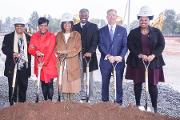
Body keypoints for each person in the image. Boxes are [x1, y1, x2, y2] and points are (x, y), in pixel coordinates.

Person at [125, 6, 165, 113]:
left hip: (153, 62)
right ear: (139, 20)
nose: (143, 21)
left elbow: (161, 45)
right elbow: (130, 44)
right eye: (141, 19)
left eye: (145, 19)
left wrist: (153, 55)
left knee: (153, 85)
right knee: (137, 84)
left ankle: (154, 107)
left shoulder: (156, 32)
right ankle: (138, 105)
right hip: (138, 62)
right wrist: (139, 54)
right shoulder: (133, 32)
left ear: (149, 20)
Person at [98, 9, 128, 105]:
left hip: (119, 62)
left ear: (116, 17)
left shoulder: (122, 30)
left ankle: (118, 102)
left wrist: (121, 56)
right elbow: (100, 45)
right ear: (107, 17)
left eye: (113, 15)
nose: (111, 17)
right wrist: (108, 55)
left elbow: (125, 45)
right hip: (106, 61)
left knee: (118, 82)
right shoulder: (101, 30)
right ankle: (105, 102)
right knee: (105, 82)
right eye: (109, 15)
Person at [1, 17, 31, 105]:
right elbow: (4, 48)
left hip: (24, 67)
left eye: (21, 26)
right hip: (12, 65)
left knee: (23, 86)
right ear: (14, 26)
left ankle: (22, 104)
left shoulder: (29, 38)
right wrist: (13, 53)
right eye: (17, 26)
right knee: (12, 85)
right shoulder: (8, 37)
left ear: (24, 27)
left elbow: (32, 49)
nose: (19, 28)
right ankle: (12, 104)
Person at [28, 17, 58, 101]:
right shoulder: (34, 36)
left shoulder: (51, 36)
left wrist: (43, 62)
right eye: (41, 25)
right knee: (43, 83)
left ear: (47, 26)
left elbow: (49, 51)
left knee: (49, 83)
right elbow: (30, 49)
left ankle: (50, 100)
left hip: (49, 64)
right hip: (39, 63)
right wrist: (36, 52)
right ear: (38, 26)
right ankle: (45, 100)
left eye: (45, 25)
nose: (43, 28)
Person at [74, 8, 99, 101]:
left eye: (85, 15)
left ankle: (90, 95)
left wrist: (90, 51)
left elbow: (95, 41)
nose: (83, 17)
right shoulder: (75, 27)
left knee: (90, 77)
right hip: (78, 56)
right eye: (81, 15)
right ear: (79, 16)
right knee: (80, 76)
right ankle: (82, 94)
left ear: (88, 16)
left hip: (90, 56)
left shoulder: (94, 26)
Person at [55, 13, 82, 100]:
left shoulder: (76, 35)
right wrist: (62, 53)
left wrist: (65, 53)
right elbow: (56, 49)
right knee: (63, 85)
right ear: (62, 24)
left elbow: (77, 49)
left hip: (72, 64)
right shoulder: (59, 35)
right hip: (61, 64)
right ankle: (65, 103)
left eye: (69, 23)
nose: (67, 25)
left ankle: (71, 104)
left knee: (72, 87)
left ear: (72, 24)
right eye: (65, 23)